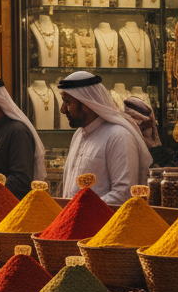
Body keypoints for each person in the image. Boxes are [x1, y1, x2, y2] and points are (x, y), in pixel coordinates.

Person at [58, 71, 153, 205]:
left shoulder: (118, 137)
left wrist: (80, 210)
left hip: (104, 224)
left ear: (86, 104)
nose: (62, 110)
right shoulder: (79, 135)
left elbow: (123, 195)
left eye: (67, 102)